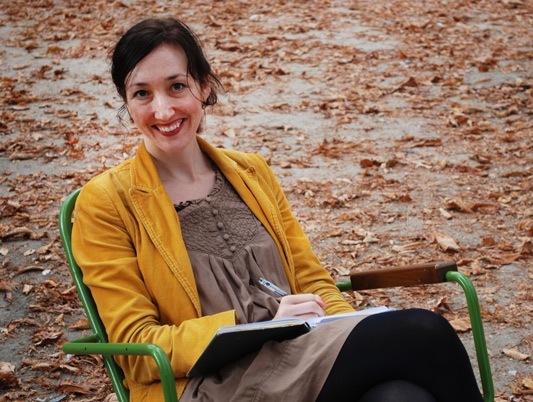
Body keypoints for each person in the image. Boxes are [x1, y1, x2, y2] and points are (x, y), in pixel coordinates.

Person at [71, 17, 484, 402]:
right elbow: (136, 347)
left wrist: (352, 332)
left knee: (401, 396)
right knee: (423, 332)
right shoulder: (107, 202)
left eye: (177, 86)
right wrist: (255, 325)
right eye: (142, 93)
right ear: (126, 103)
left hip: (299, 355)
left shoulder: (250, 172)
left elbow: (312, 279)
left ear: (205, 87)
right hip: (205, 385)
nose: (162, 110)